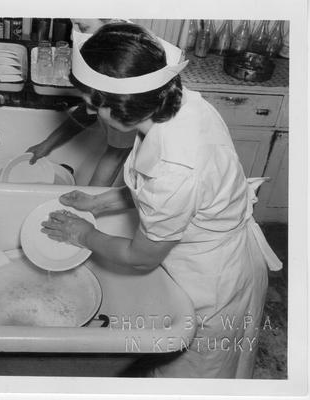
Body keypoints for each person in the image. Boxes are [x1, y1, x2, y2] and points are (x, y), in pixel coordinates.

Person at [40, 22, 282, 378]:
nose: (91, 112)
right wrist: (101, 203)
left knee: (195, 374)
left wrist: (82, 234)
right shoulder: (179, 103)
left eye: (93, 103)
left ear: (119, 105)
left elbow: (140, 257)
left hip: (210, 281)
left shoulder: (174, 167)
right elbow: (168, 194)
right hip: (220, 250)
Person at [27, 19, 136, 187]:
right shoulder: (110, 53)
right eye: (73, 26)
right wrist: (46, 145)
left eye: (83, 27)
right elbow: (88, 110)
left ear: (111, 19)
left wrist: (88, 202)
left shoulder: (125, 69)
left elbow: (116, 155)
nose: (73, 35)